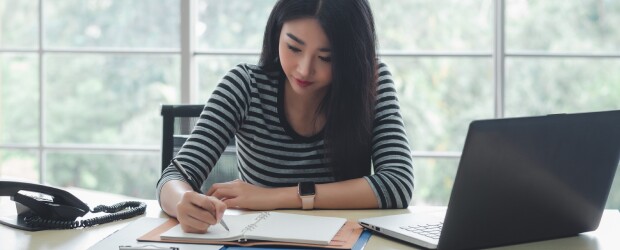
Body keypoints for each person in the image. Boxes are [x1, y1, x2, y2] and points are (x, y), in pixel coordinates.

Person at [157, 0, 414, 233]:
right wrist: (183, 202)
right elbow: (174, 177)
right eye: (293, 47)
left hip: (342, 241)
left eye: (326, 58)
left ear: (351, 58)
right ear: (276, 32)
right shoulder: (245, 86)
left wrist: (273, 197)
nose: (304, 69)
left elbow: (397, 183)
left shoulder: (372, 84)